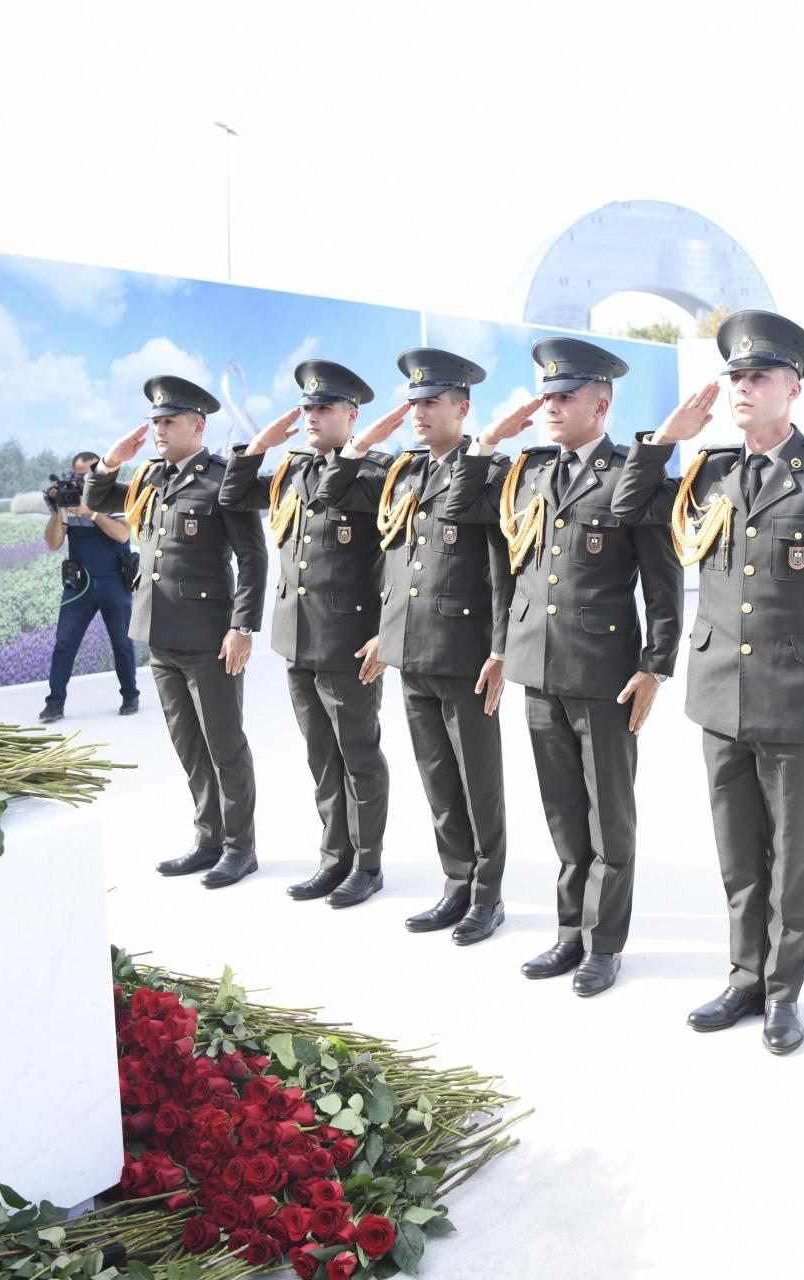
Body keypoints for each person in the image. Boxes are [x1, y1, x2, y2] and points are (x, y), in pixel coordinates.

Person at [611, 310, 804, 1056]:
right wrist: (667, 438)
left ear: (792, 389)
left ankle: (782, 991)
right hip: (718, 695)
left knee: (792, 858)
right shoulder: (708, 472)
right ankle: (742, 975)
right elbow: (621, 509)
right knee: (737, 853)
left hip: (799, 697)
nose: (741, 387)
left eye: (757, 375)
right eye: (734, 375)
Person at [452, 337, 682, 997]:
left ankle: (604, 945)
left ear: (601, 403)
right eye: (546, 395)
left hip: (605, 672)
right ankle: (569, 931)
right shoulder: (527, 471)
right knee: (561, 812)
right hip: (536, 666)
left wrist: (655, 665)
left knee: (609, 817)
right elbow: (463, 508)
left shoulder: (629, 476)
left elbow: (662, 585)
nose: (550, 406)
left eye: (564, 395)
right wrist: (490, 438)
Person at [334, 348, 514, 945]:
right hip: (411, 651)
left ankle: (488, 897)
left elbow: (499, 568)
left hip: (465, 653)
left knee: (477, 780)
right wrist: (387, 636)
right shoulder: (405, 473)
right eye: (413, 402)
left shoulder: (490, 468)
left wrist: (499, 647)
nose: (417, 412)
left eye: (431, 401)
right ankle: (456, 884)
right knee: (437, 778)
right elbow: (384, 551)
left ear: (462, 408)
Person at [219, 361, 397, 909]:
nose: (312, 416)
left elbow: (399, 559)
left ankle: (367, 864)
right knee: (321, 756)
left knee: (358, 756)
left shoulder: (377, 474)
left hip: (351, 642)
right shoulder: (294, 469)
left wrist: (386, 635)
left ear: (352, 415)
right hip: (297, 639)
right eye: (308, 408)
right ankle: (332, 858)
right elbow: (233, 496)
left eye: (324, 408)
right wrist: (259, 445)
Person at [85, 376, 267, 887]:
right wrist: (110, 460)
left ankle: (239, 847)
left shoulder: (222, 478)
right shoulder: (151, 478)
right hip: (160, 634)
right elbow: (100, 497)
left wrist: (242, 626)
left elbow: (252, 557)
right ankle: (208, 839)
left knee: (224, 745)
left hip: (211, 637)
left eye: (169, 421)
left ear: (197, 425)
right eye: (156, 422)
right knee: (189, 745)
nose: (160, 430)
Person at [39, 451, 140, 722]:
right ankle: (55, 703)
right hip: (79, 586)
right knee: (64, 644)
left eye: (87, 475)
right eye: (78, 475)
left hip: (114, 582)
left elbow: (122, 534)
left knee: (121, 644)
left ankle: (130, 694)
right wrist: (59, 509)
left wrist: (91, 513)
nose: (82, 480)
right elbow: (53, 543)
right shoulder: (68, 500)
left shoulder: (115, 496)